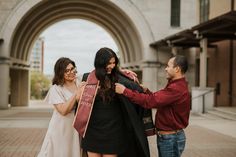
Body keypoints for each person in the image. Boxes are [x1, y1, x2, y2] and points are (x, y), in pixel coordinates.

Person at [78, 47, 150, 157]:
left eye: (114, 63)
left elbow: (138, 93)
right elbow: (80, 101)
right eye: (109, 63)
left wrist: (132, 79)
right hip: (92, 130)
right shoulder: (88, 78)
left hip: (113, 130)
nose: (112, 66)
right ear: (100, 63)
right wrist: (81, 91)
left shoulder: (119, 78)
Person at [115, 55, 191, 157]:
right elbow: (160, 101)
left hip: (171, 138)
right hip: (170, 137)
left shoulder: (176, 88)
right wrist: (147, 91)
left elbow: (151, 101)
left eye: (168, 66)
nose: (165, 69)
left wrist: (125, 91)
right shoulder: (176, 85)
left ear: (177, 69)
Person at [38, 57, 84, 157]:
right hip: (61, 129)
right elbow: (63, 110)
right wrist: (77, 93)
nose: (71, 72)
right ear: (60, 73)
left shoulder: (80, 83)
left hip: (76, 128)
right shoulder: (56, 89)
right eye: (66, 70)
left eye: (72, 69)